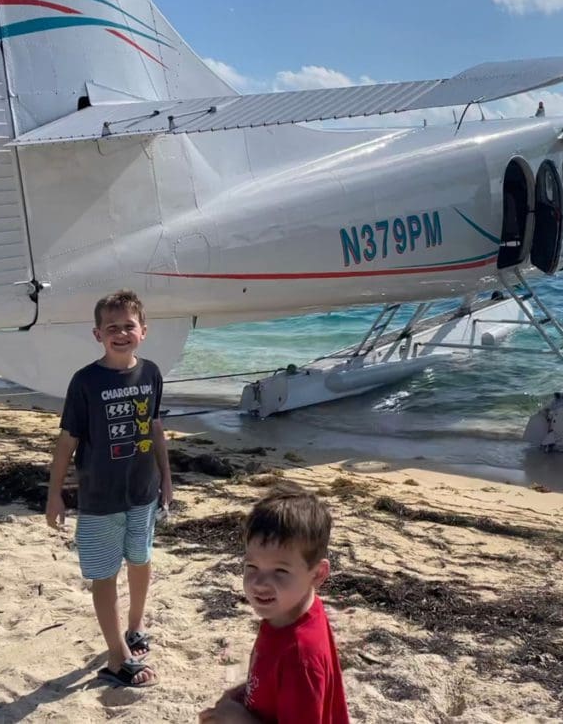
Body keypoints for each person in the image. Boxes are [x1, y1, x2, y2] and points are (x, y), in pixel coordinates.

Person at [45, 289, 172, 688]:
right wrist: (55, 494)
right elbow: (67, 440)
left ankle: (134, 629)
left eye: (128, 326)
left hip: (143, 491)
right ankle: (116, 658)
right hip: (100, 497)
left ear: (143, 331)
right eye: (112, 327)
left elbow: (154, 428)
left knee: (141, 559)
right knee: (105, 574)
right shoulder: (86, 381)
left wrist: (166, 477)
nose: (121, 333)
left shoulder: (150, 373)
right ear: (97, 334)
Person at [199, 485, 349, 723]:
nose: (260, 583)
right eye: (252, 567)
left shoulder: (301, 656)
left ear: (318, 574)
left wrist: (240, 719)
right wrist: (241, 693)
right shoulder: (289, 611)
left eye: (280, 570)